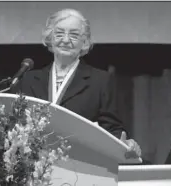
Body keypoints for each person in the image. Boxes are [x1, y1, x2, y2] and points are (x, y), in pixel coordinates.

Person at [10, 9, 141, 159]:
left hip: (83, 163)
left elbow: (112, 131)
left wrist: (125, 144)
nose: (65, 40)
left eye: (73, 35)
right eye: (59, 33)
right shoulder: (29, 79)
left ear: (84, 42)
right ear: (50, 39)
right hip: (34, 163)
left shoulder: (101, 80)